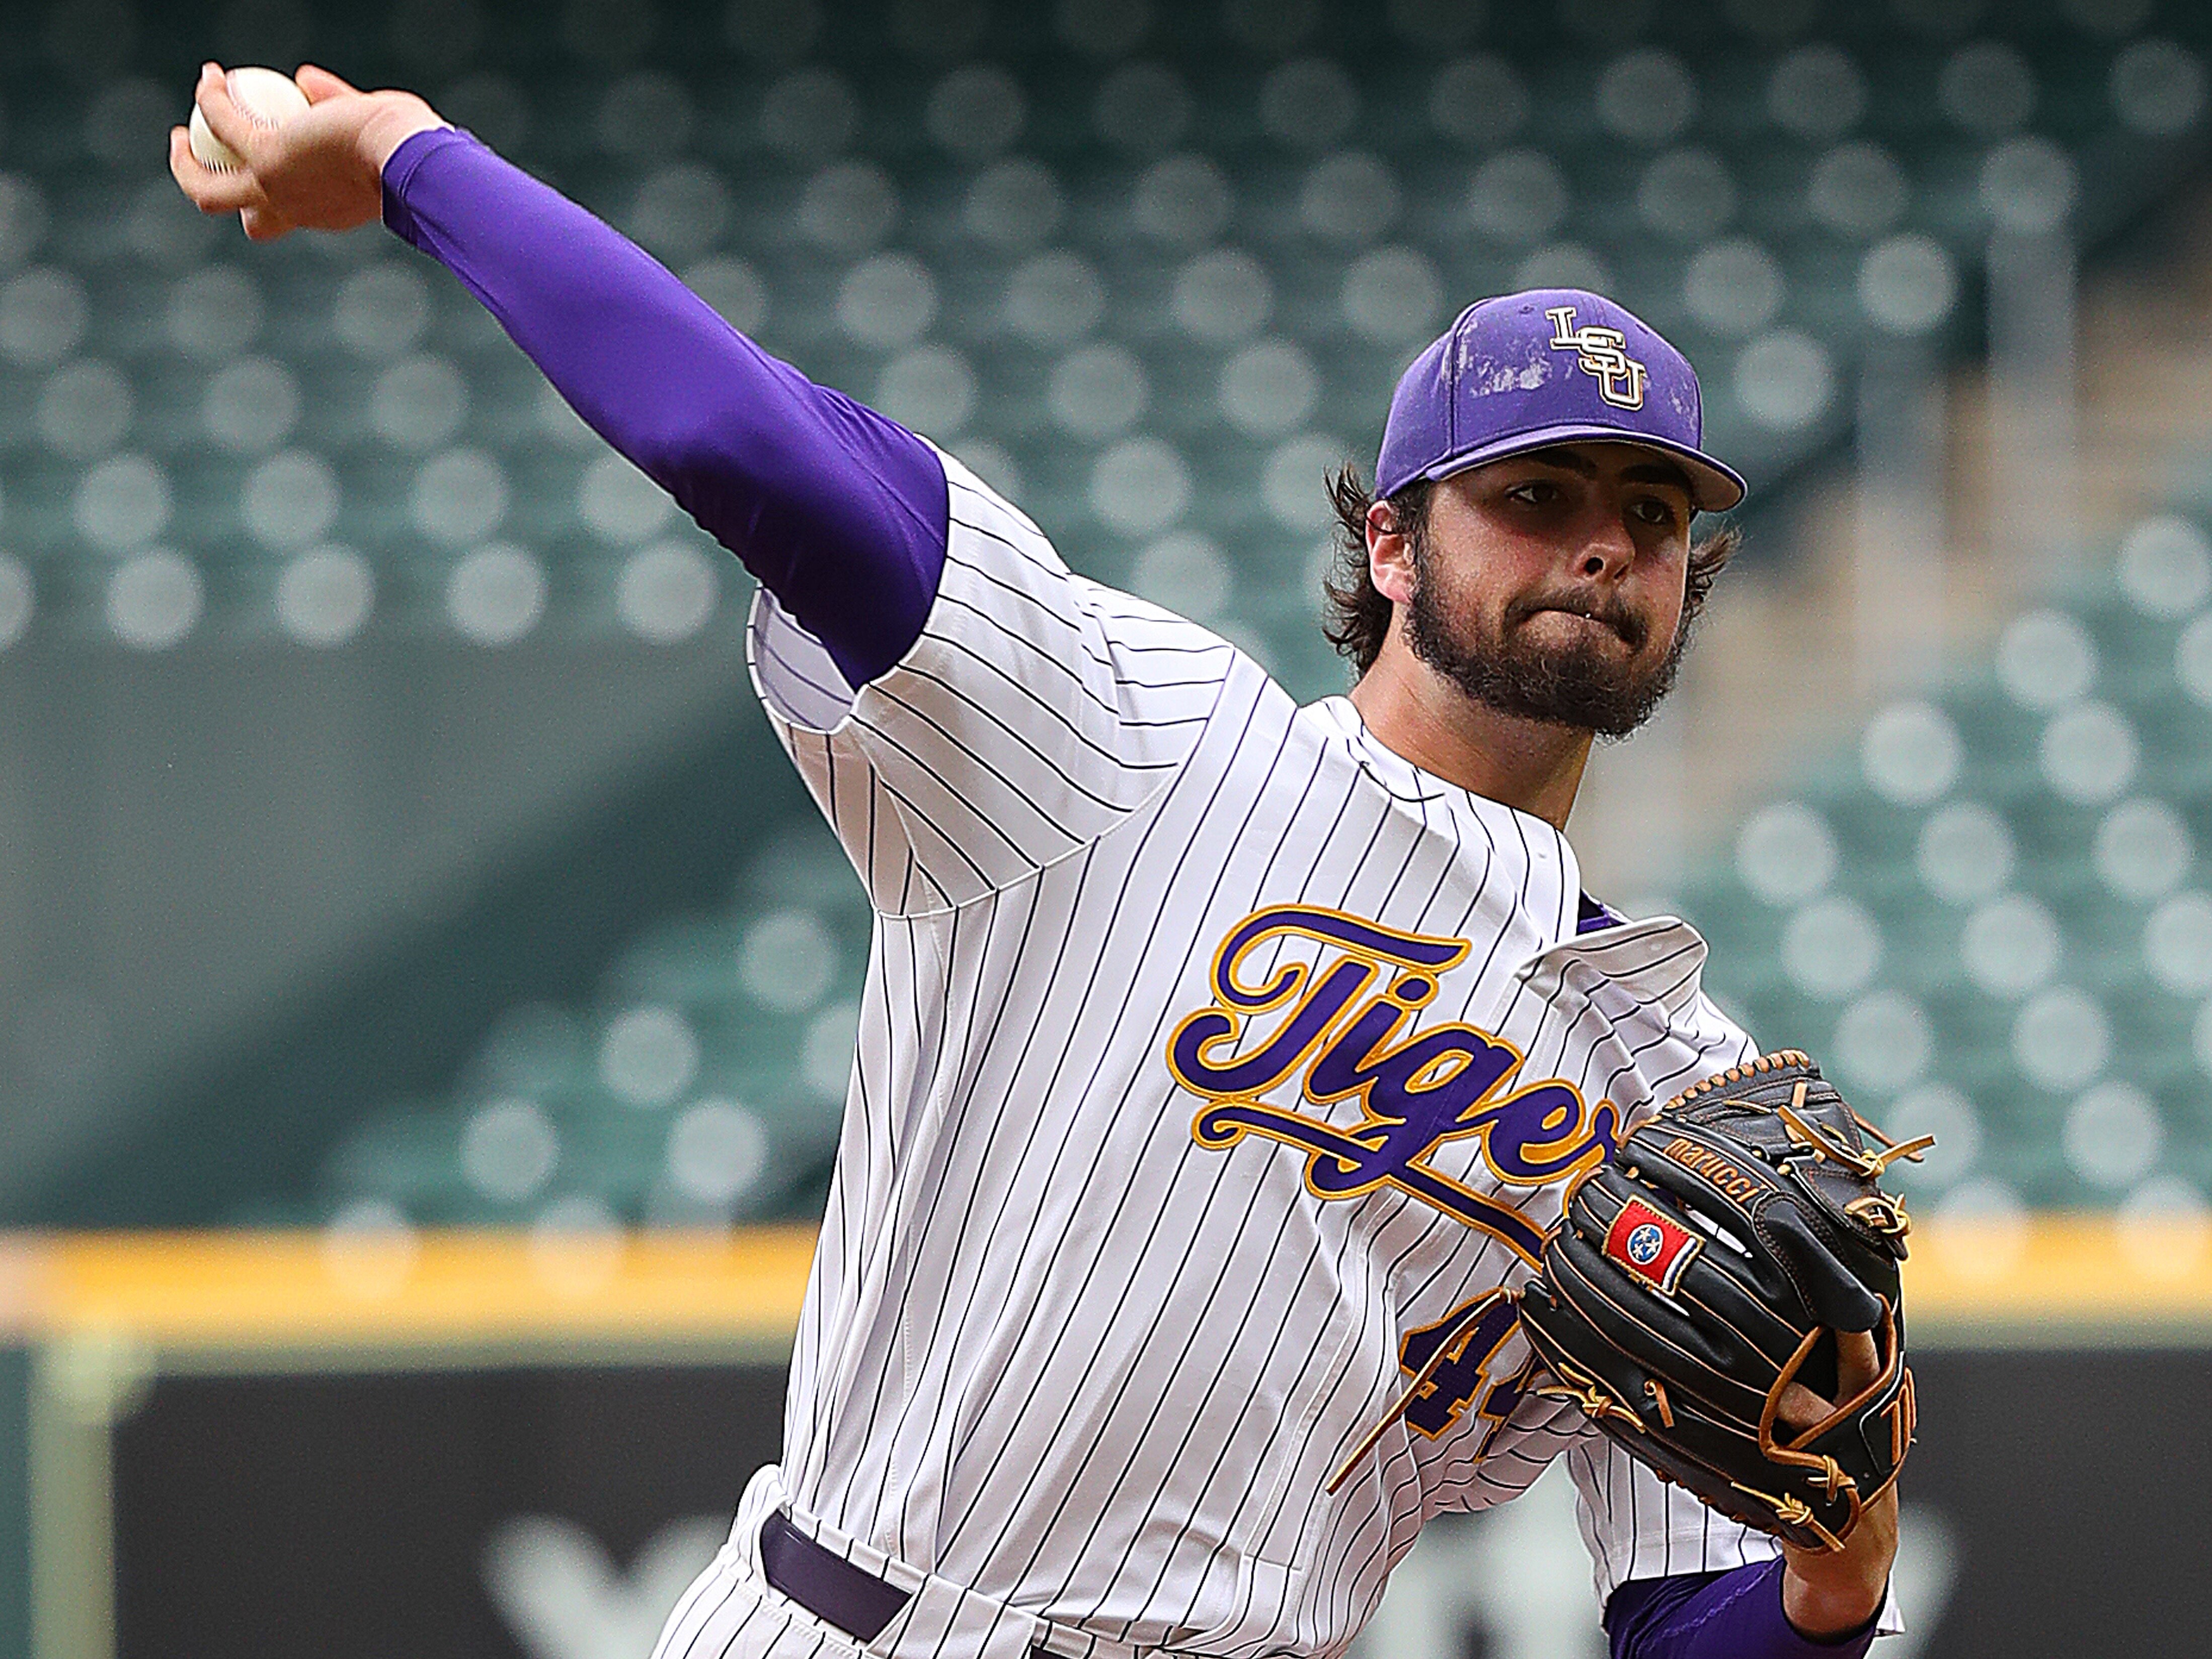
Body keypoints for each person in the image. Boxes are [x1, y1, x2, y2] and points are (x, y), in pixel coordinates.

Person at [171, 62, 1905, 1659]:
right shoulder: (1130, 734)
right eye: (1535, 491)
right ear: (1387, 541)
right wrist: (413, 157)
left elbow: (1688, 1630)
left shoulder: (1679, 1098)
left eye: (1652, 513)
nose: (1604, 541)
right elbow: (749, 444)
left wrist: (1835, 1575)